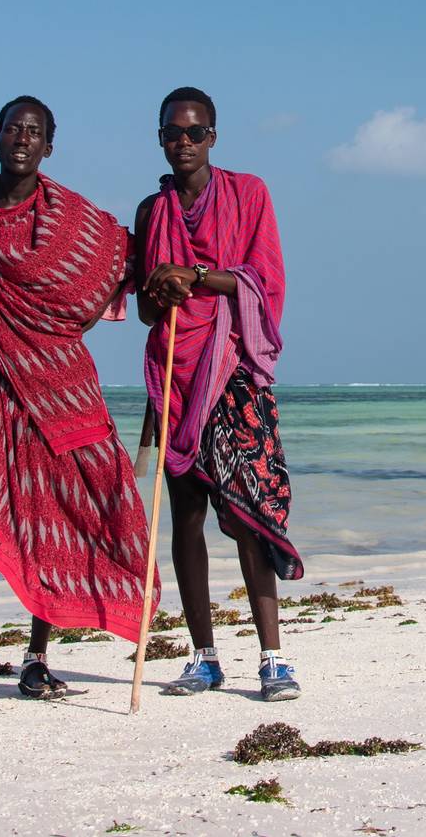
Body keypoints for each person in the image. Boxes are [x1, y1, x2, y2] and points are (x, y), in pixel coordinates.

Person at [0, 96, 155, 715]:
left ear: (50, 146)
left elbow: (125, 258)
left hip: (62, 380)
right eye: (13, 129)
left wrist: (177, 268)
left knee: (57, 513)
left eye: (35, 132)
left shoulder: (69, 217)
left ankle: (37, 660)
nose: (22, 138)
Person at [132, 86, 303, 702]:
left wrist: (198, 276)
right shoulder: (151, 213)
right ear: (159, 139)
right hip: (174, 370)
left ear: (214, 137)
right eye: (172, 133)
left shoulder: (249, 192)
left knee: (249, 512)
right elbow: (146, 303)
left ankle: (273, 657)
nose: (183, 143)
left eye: (195, 132)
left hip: (232, 370)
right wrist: (161, 291)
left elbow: (265, 280)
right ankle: (203, 657)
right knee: (186, 519)